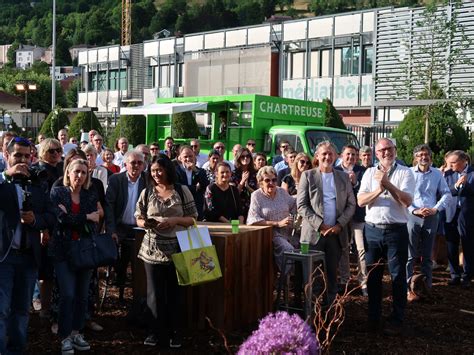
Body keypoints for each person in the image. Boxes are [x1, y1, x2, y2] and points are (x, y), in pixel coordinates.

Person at [135, 154, 197, 347]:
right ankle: (154, 331)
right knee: (154, 293)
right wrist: (147, 223)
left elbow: (193, 218)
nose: (156, 174)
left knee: (175, 293)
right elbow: (138, 217)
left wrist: (174, 221)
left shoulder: (181, 190)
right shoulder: (147, 193)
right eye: (153, 171)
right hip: (152, 250)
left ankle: (175, 332)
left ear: (168, 170)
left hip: (178, 248)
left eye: (159, 170)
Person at [0, 136, 55, 354]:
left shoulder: (38, 182)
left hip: (29, 257)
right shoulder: (3, 180)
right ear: (7, 156)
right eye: (17, 155)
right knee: (2, 310)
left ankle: (16, 350)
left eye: (26, 155)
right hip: (4, 257)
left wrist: (36, 221)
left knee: (22, 310)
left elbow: (52, 215)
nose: (23, 160)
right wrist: (6, 175)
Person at [358, 138, 414, 335]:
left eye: (389, 149)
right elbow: (360, 200)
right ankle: (374, 318)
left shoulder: (406, 173)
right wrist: (378, 189)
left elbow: (407, 201)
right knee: (373, 276)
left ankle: (397, 319)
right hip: (372, 231)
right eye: (381, 150)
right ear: (376, 153)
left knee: (398, 276)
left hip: (395, 232)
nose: (386, 153)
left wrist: (387, 184)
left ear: (395, 150)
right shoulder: (368, 173)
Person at [50, 159, 102, 353]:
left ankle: (76, 332)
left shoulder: (90, 194)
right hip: (63, 252)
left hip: (85, 250)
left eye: (83, 172)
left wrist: (81, 219)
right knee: (68, 295)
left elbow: (95, 221)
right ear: (68, 173)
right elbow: (61, 219)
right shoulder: (58, 193)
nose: (79, 176)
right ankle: (64, 336)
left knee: (82, 296)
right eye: (76, 172)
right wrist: (86, 217)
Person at [297, 141, 356, 303]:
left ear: (336, 156)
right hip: (314, 235)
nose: (327, 157)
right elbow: (302, 205)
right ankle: (313, 312)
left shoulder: (343, 177)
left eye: (330, 154)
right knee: (313, 277)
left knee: (332, 276)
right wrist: (320, 225)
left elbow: (352, 204)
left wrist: (339, 225)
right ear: (317, 156)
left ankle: (329, 310)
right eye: (324, 154)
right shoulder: (308, 176)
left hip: (336, 235)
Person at [406, 144, 452, 301]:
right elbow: (403, 195)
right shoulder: (408, 173)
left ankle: (426, 287)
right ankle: (407, 288)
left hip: (431, 216)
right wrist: (414, 210)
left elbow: (446, 194)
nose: (423, 157)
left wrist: (436, 209)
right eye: (420, 155)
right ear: (415, 158)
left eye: (426, 154)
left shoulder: (437, 174)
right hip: (413, 216)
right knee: (410, 254)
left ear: (430, 157)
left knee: (427, 255)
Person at [105, 150, 147, 295]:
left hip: (141, 228)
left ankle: (138, 292)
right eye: (133, 162)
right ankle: (119, 279)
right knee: (117, 258)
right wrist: (111, 230)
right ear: (125, 164)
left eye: (139, 163)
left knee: (139, 263)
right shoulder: (116, 180)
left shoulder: (148, 181)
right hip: (120, 227)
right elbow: (109, 206)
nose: (136, 166)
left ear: (143, 165)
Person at [247, 166, 297, 270]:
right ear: (261, 182)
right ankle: (283, 281)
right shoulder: (256, 196)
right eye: (267, 180)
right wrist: (277, 223)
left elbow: (294, 205)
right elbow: (252, 220)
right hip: (270, 234)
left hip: (289, 232)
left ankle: (299, 283)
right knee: (288, 250)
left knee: (305, 248)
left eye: (274, 180)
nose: (271, 183)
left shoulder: (282, 192)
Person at [334, 144, 368, 295]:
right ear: (342, 155)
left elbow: (366, 192)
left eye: (354, 155)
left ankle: (363, 282)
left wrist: (355, 183)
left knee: (361, 249)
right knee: (343, 248)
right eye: (348, 154)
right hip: (340, 216)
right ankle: (344, 280)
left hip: (358, 216)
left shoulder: (363, 171)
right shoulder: (335, 171)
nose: (351, 157)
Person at [444, 150, 474, 289]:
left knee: (467, 243)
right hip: (451, 212)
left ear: (463, 161)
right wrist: (456, 185)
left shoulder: (472, 173)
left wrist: (466, 185)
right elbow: (445, 191)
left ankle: (467, 275)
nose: (449, 165)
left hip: (467, 214)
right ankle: (454, 274)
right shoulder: (448, 174)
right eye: (449, 163)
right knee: (451, 244)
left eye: (453, 163)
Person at [175, 145, 209, 220]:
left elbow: (205, 185)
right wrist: (194, 188)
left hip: (197, 206)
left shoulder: (201, 171)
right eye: (185, 157)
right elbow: (177, 187)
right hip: (181, 205)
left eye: (191, 156)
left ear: (194, 157)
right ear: (180, 158)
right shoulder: (176, 171)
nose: (188, 159)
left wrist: (195, 170)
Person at [231, 147, 258, 220]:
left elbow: (259, 194)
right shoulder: (233, 174)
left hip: (253, 206)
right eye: (243, 156)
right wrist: (242, 181)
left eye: (248, 156)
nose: (245, 158)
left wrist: (248, 187)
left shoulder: (256, 174)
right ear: (238, 158)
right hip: (238, 207)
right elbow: (234, 194)